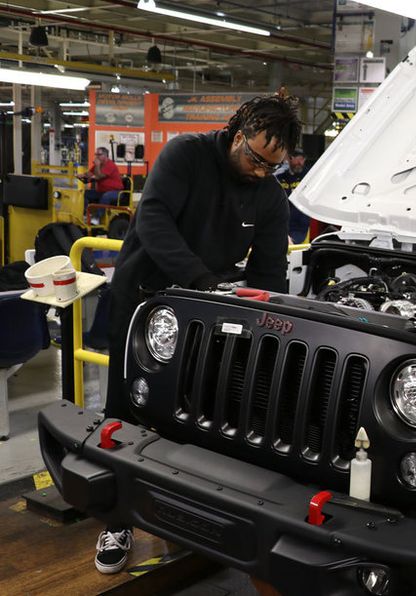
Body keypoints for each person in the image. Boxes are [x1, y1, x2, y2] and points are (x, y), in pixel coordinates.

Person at [95, 94, 300, 575]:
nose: (259, 172)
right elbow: (154, 221)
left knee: (195, 417)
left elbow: (269, 271)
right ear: (238, 134)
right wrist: (202, 282)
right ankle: (116, 521)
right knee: (127, 411)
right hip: (145, 300)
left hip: (205, 316)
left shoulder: (269, 196)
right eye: (255, 159)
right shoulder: (186, 154)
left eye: (271, 167)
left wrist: (267, 325)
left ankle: (183, 519)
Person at [274, 147, 310, 243]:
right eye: (297, 159)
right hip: (281, 222)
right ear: (290, 158)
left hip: (301, 224)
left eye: (302, 159)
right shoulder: (279, 175)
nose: (300, 162)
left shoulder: (308, 176)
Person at [79, 147, 124, 222]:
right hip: (102, 191)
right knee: (85, 193)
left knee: (106, 196)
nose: (96, 156)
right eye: (96, 154)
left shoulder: (110, 165)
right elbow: (89, 173)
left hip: (116, 192)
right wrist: (82, 175)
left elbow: (99, 176)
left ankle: (97, 218)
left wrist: (97, 165)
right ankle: (86, 214)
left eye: (99, 154)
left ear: (105, 155)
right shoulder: (99, 165)